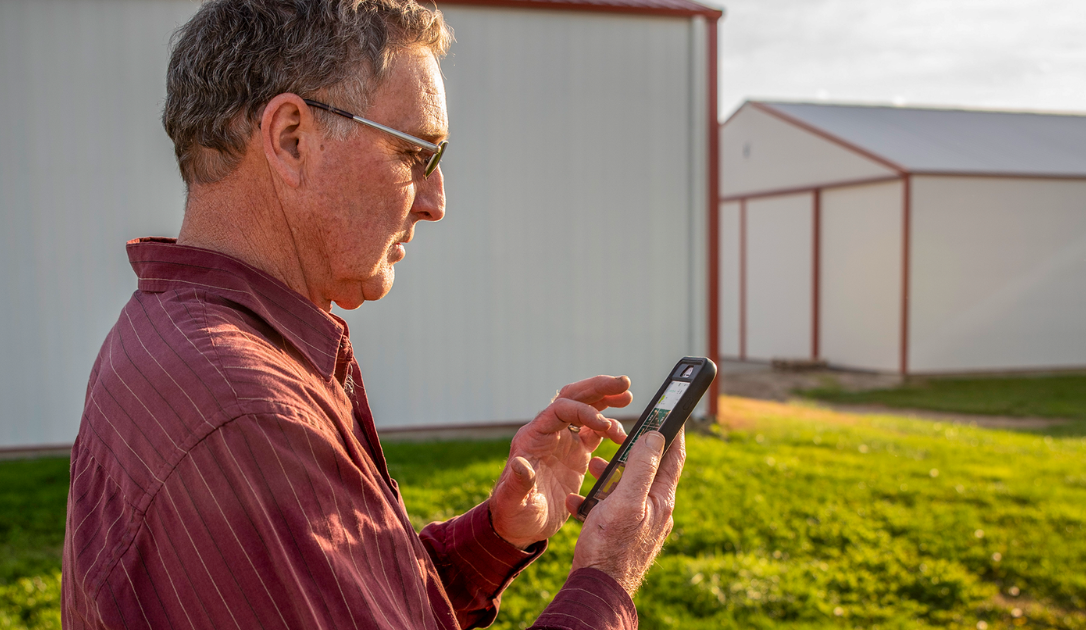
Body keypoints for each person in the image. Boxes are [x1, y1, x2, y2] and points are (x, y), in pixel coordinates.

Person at [61, 0, 685, 628]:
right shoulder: (248, 414)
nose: (435, 202)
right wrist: (608, 574)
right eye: (418, 156)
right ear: (291, 139)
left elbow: (341, 598)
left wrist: (496, 534)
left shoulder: (182, 341)